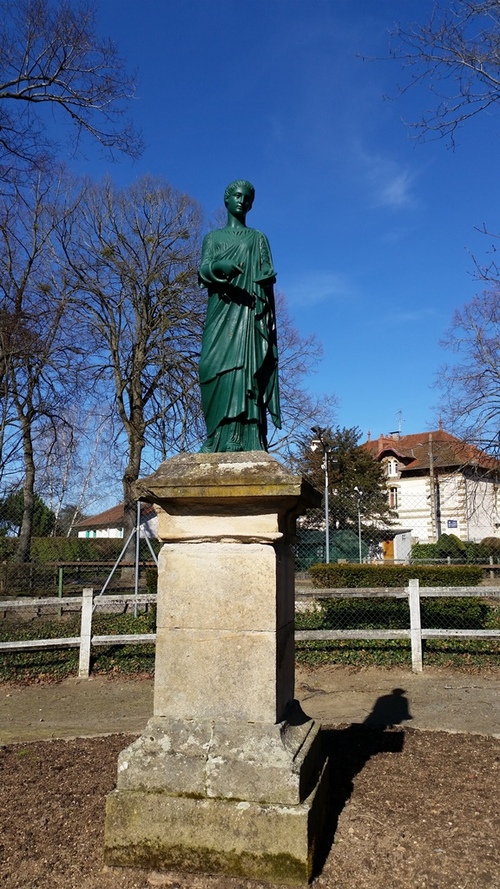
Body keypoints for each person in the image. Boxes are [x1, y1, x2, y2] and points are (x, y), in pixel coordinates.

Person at [198, 179, 281, 452]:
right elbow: (203, 271)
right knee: (209, 369)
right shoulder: (212, 238)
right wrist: (218, 267)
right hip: (221, 310)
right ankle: (215, 435)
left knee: (245, 371)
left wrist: (265, 278)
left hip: (249, 313)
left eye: (247, 198)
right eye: (236, 195)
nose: (241, 200)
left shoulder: (258, 238)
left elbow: (266, 271)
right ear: (226, 199)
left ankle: (243, 436)